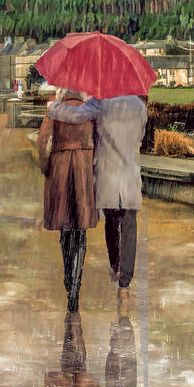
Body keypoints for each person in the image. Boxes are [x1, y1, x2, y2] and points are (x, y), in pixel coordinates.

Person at [46, 93, 147, 307]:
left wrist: (53, 107)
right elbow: (141, 136)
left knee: (111, 223)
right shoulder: (139, 106)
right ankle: (125, 285)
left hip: (108, 172)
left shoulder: (101, 103)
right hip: (130, 173)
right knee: (129, 227)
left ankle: (116, 267)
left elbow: (75, 115)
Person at [36, 88, 97, 313]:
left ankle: (67, 277)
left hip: (60, 166)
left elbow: (42, 141)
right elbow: (99, 141)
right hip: (83, 167)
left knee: (65, 226)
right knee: (80, 229)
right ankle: (76, 285)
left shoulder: (54, 109)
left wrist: (46, 166)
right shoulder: (92, 110)